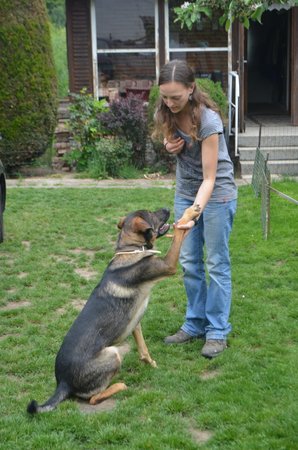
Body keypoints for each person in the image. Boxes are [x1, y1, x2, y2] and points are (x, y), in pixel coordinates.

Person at [152, 60, 237, 358]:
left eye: (176, 96)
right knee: (189, 263)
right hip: (185, 193)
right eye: (165, 96)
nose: (170, 102)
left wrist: (193, 212)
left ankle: (216, 330)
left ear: (191, 89)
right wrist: (168, 144)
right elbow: (172, 141)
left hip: (216, 195)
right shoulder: (166, 112)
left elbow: (210, 177)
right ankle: (194, 323)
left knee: (215, 263)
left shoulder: (209, 121)